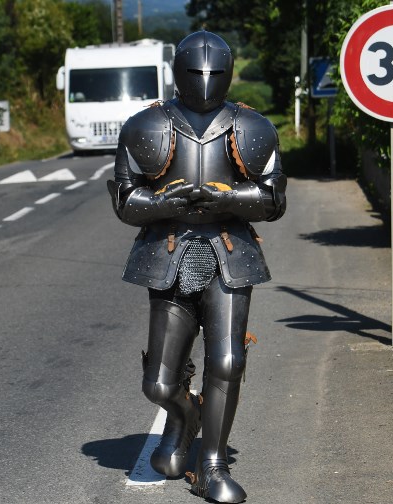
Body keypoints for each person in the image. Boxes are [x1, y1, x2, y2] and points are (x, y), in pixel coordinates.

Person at [108, 31, 287, 503]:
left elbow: (272, 197)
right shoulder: (146, 125)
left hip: (230, 251)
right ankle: (184, 419)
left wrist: (227, 196)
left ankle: (212, 465)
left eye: (213, 73)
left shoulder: (253, 127)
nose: (204, 81)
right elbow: (126, 200)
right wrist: (164, 200)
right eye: (195, 72)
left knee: (228, 360)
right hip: (169, 249)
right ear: (178, 71)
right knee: (159, 384)